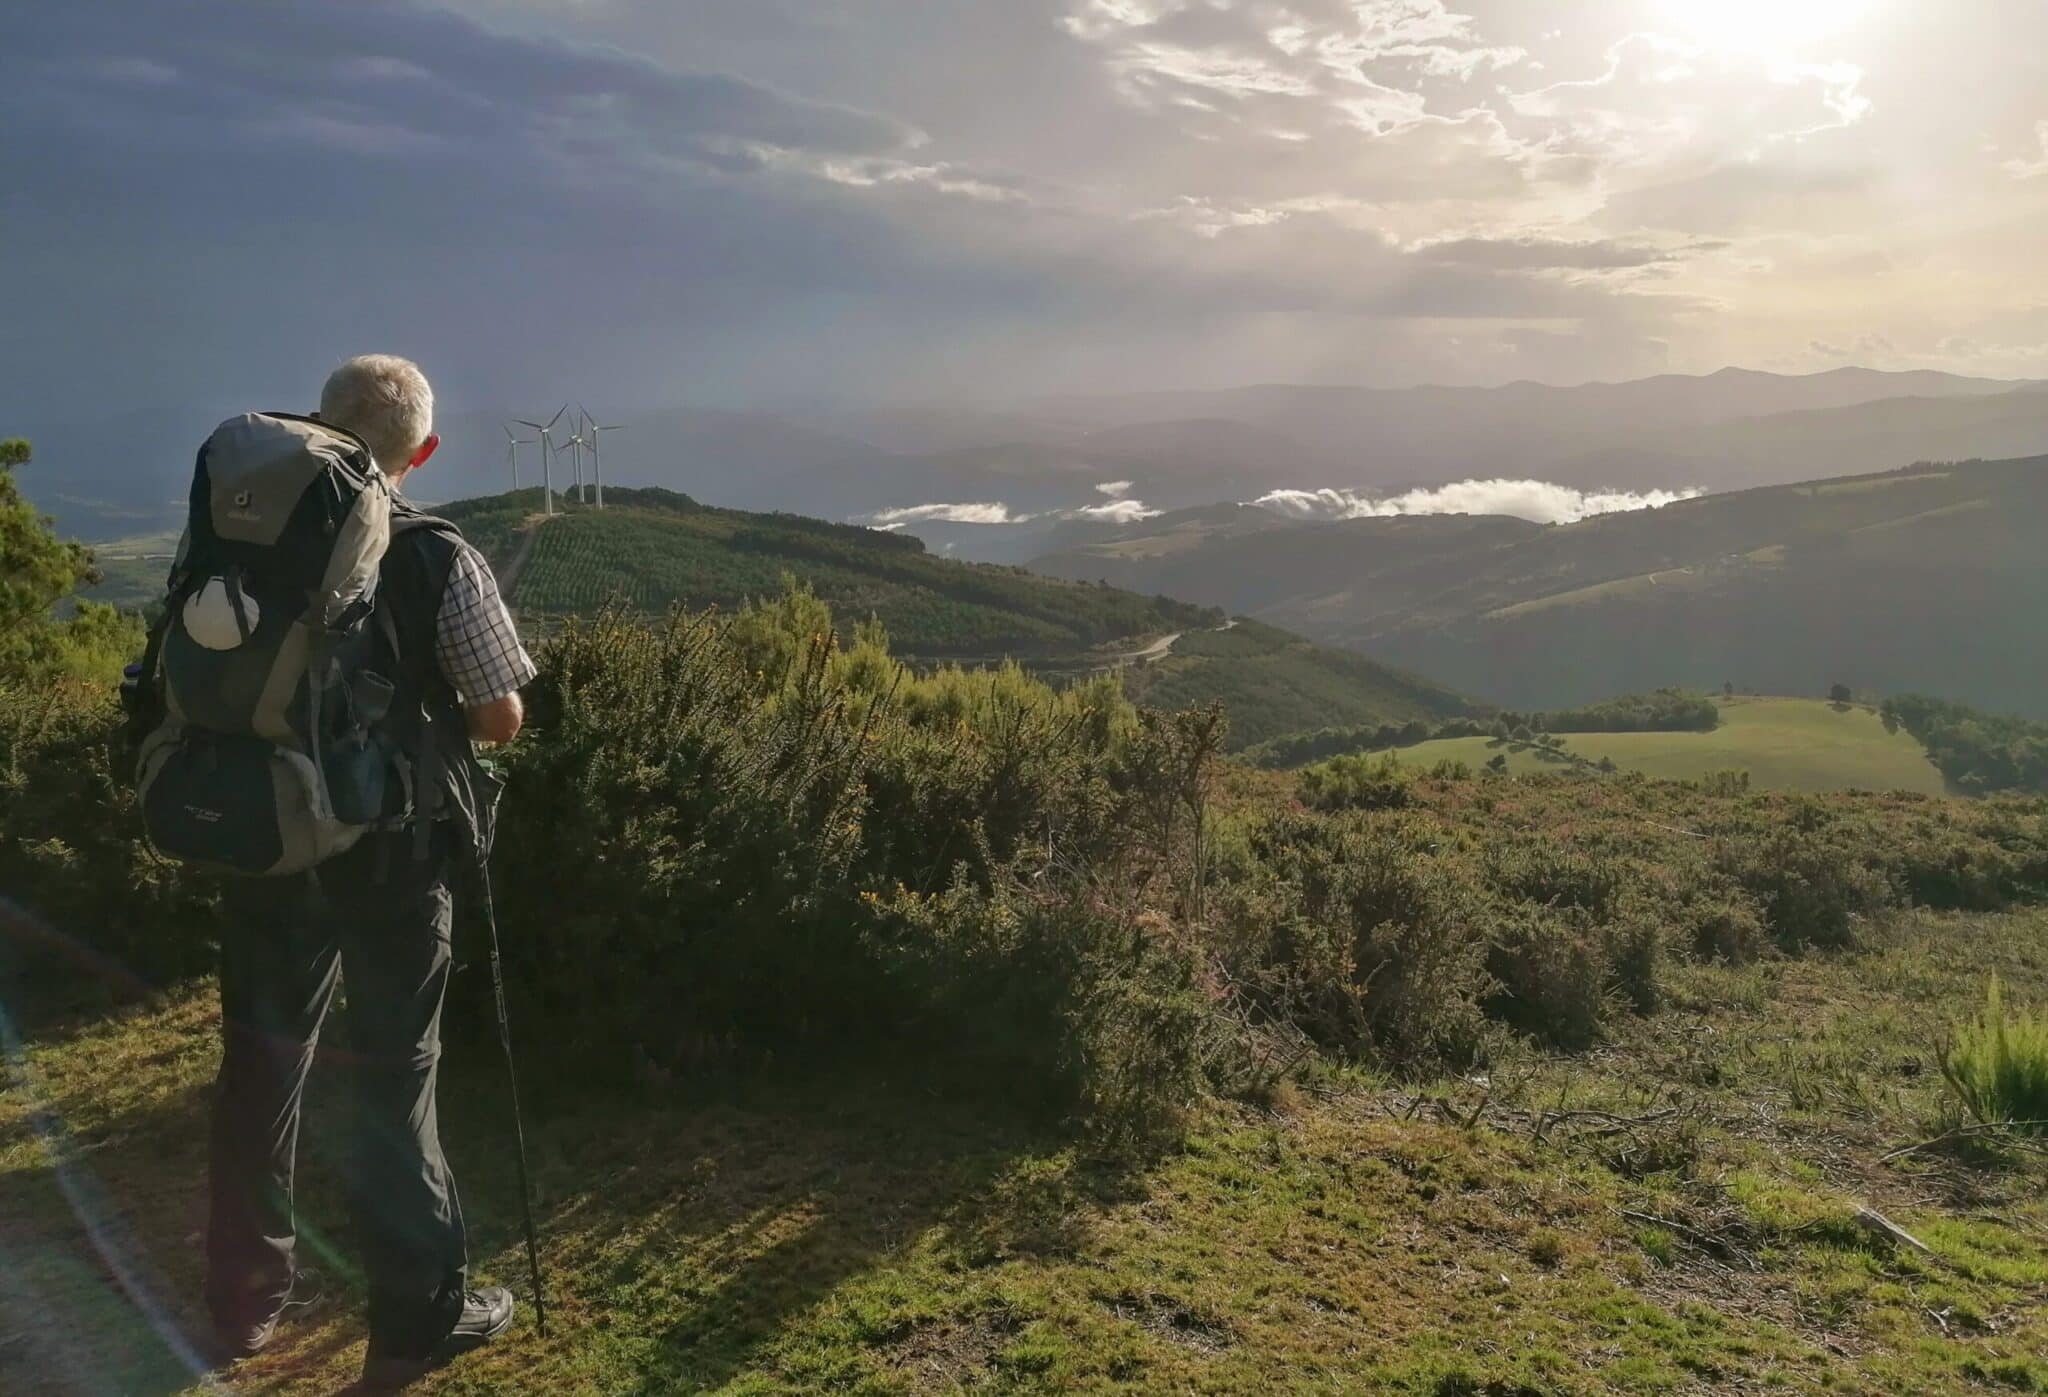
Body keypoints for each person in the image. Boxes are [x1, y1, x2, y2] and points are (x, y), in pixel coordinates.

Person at [204, 355, 535, 1388]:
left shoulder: (246, 539)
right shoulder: (435, 553)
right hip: (392, 852)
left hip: (265, 839)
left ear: (317, 427)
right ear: (420, 451)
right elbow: (498, 715)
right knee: (396, 1079)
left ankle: (242, 1301)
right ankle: (415, 1322)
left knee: (260, 1062)